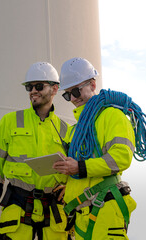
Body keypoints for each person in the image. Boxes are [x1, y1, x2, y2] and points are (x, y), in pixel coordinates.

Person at [0, 62, 69, 240]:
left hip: (53, 210)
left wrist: (70, 187)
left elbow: (72, 170)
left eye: (38, 86)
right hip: (18, 203)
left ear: (54, 89)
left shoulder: (66, 130)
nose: (33, 91)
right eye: (29, 87)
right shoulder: (9, 121)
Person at [53, 57, 137, 240]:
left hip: (105, 211)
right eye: (67, 95)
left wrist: (80, 167)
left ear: (92, 84)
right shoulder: (74, 130)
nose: (73, 98)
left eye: (75, 91)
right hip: (81, 215)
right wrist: (66, 176)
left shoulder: (113, 116)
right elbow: (76, 169)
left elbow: (121, 157)